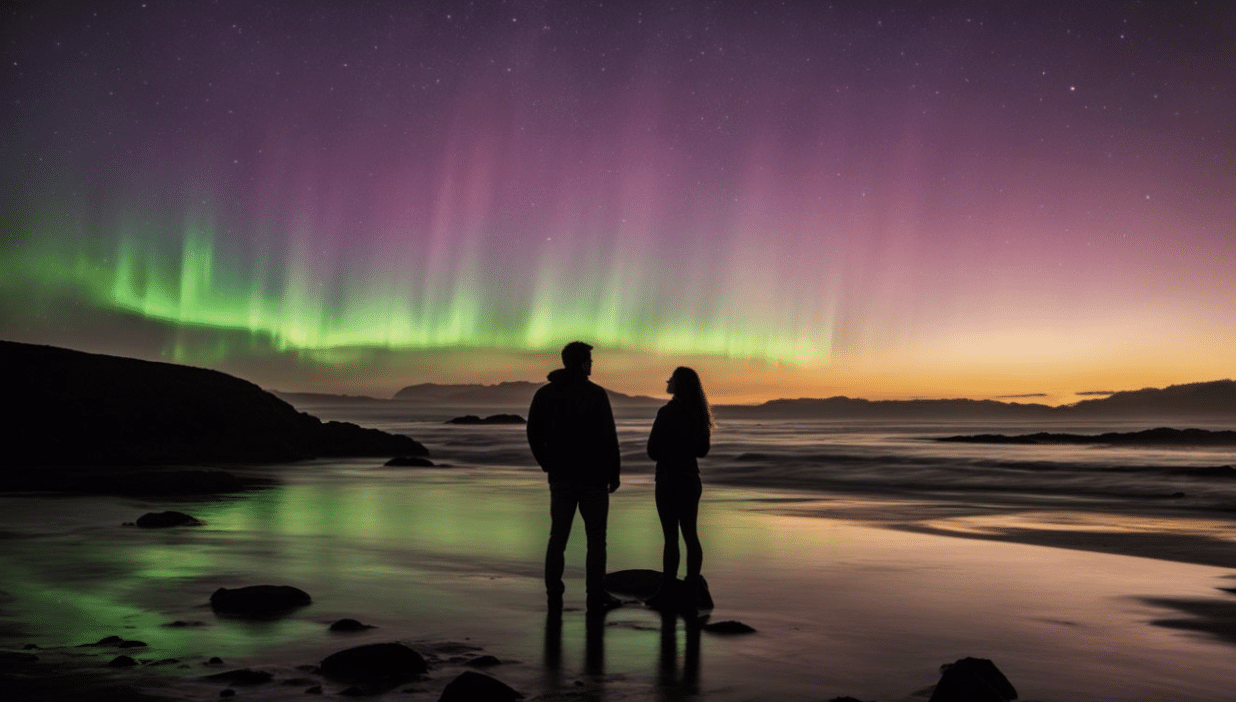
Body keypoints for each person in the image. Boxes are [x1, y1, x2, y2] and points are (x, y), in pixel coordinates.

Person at [527, 341, 623, 613]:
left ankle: (554, 594)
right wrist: (613, 474)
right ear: (581, 363)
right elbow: (609, 438)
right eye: (589, 360)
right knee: (596, 539)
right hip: (593, 478)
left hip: (561, 477)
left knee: (558, 537)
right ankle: (595, 593)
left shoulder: (545, 395)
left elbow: (533, 433)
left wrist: (547, 463)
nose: (592, 365)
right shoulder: (595, 395)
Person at [645, 366, 713, 612]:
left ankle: (667, 590)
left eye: (671, 379)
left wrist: (668, 448)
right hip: (690, 479)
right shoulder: (698, 414)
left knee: (671, 538)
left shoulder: (666, 413)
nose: (667, 381)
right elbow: (702, 451)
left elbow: (652, 451)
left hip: (667, 479)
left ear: (678, 385)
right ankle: (692, 587)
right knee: (691, 535)